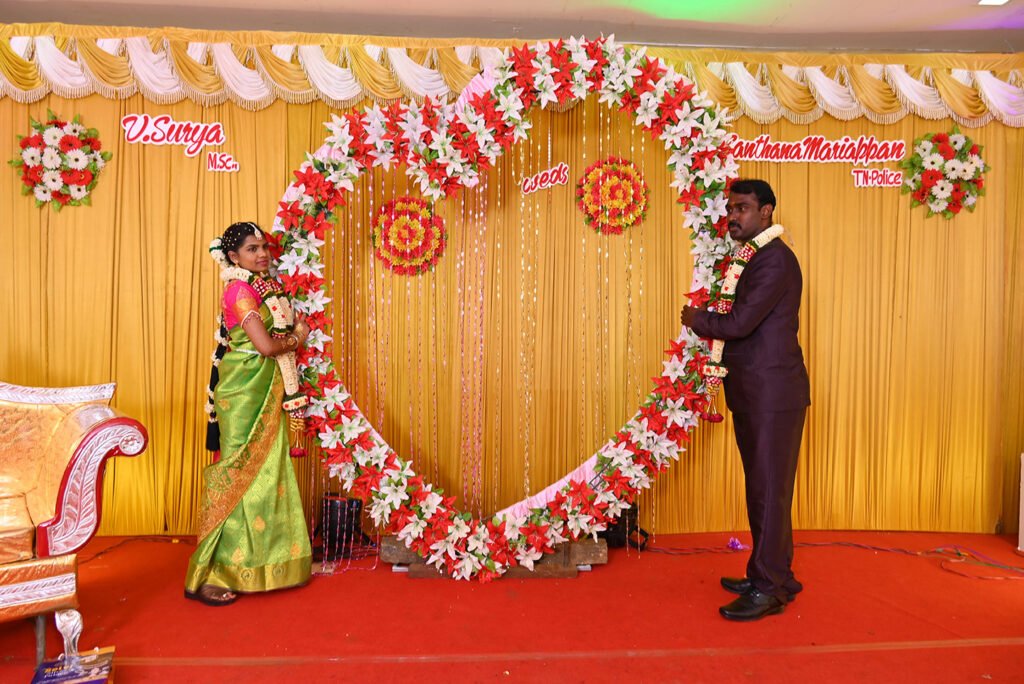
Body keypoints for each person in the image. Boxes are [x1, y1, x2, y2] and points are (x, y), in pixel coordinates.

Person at [680, 179, 810, 621]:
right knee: (766, 490)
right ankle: (775, 575)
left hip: (772, 395)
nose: (732, 216)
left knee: (768, 492)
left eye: (742, 208)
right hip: (759, 393)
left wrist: (698, 319)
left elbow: (739, 323)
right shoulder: (756, 257)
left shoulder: (773, 260)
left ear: (766, 211)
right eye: (730, 209)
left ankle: (768, 588)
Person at [185, 221, 313, 606]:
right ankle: (213, 573)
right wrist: (298, 336)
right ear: (233, 256)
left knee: (268, 475)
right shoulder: (239, 291)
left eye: (264, 248)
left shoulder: (263, 287)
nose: (262, 254)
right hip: (243, 393)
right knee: (239, 478)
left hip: (265, 388)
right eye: (252, 249)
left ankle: (264, 565)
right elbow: (266, 347)